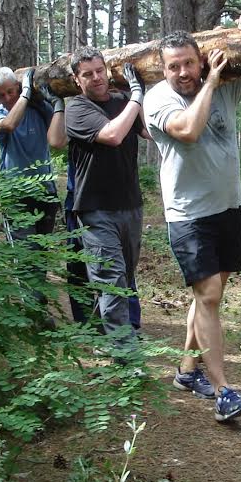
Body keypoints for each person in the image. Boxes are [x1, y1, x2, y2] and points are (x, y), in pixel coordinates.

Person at [144, 10, 241, 422]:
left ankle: (186, 370)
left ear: (200, 59)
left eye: (189, 63)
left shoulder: (226, 87)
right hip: (188, 215)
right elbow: (188, 130)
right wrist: (213, 81)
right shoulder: (158, 100)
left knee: (208, 294)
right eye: (174, 66)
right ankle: (223, 392)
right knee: (210, 296)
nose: (183, 72)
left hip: (228, 208)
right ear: (163, 70)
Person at [65, 47, 149, 353]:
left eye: (100, 70)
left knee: (124, 277)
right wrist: (137, 97)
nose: (96, 77)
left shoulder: (121, 101)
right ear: (77, 79)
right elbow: (112, 135)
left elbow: (149, 132)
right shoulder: (77, 109)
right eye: (87, 74)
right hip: (95, 209)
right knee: (110, 280)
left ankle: (105, 335)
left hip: (131, 205)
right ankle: (126, 355)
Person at [0, 65, 67, 251]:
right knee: (23, 254)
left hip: (45, 192)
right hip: (16, 195)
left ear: (17, 87)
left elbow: (60, 140)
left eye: (10, 91)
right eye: (1, 95)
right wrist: (25, 94)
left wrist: (57, 105)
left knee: (41, 252)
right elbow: (9, 125)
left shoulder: (39, 109)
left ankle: (40, 281)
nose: (7, 98)